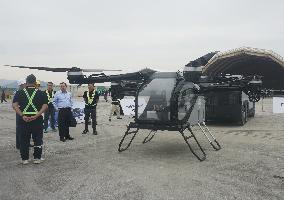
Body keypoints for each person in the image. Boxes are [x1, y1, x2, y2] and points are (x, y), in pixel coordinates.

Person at [12, 74, 48, 164]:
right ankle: (37, 158)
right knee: (38, 139)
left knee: (24, 140)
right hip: (37, 120)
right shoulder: (41, 93)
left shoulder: (19, 92)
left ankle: (25, 159)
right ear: (35, 82)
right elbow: (45, 105)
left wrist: (22, 115)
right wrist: (37, 115)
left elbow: (14, 105)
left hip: (23, 120)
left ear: (26, 82)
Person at [14, 79, 26, 150]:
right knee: (19, 128)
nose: (25, 85)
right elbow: (15, 104)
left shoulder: (23, 92)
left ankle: (25, 143)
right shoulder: (18, 92)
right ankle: (19, 144)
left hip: (23, 111)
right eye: (24, 84)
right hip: (19, 112)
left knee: (25, 128)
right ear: (22, 85)